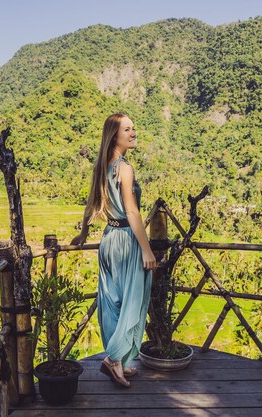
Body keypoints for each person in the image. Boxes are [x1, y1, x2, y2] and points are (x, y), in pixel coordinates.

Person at [71, 113, 157, 388]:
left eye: (134, 128)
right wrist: (146, 250)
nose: (133, 133)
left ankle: (118, 360)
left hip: (108, 239)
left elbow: (90, 203)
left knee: (112, 302)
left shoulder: (102, 165)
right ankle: (114, 359)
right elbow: (131, 211)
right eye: (127, 129)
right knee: (132, 300)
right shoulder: (125, 168)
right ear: (115, 135)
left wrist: (83, 233)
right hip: (126, 239)